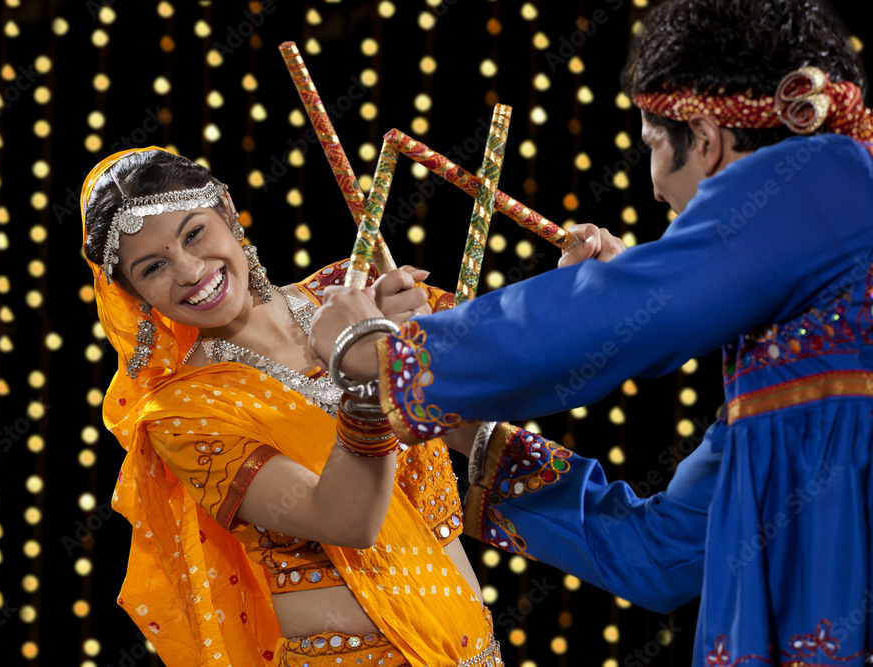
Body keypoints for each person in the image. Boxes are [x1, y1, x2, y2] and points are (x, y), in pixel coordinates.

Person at [307, 0, 873, 664]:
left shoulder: (832, 174)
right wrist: (466, 428)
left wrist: (381, 351)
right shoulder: (786, 397)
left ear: (708, 136)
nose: (658, 190)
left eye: (656, 150)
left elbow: (651, 310)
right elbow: (658, 555)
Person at [80, 146, 507, 666]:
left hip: (473, 648)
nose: (190, 271)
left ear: (228, 210)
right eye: (153, 267)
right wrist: (369, 377)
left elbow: (483, 420)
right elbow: (346, 518)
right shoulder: (182, 411)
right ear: (134, 295)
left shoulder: (351, 292)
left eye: (194, 234)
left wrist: (589, 286)